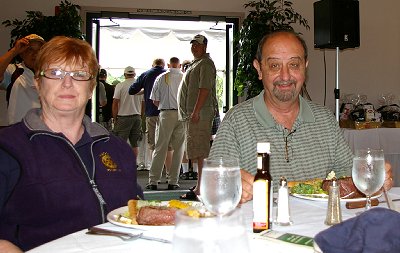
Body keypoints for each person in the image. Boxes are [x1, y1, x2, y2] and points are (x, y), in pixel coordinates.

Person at [209, 30, 393, 204]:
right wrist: (227, 183)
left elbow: (347, 172)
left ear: (305, 67)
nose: (285, 76)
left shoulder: (324, 119)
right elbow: (213, 181)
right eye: (274, 65)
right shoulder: (237, 120)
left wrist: (367, 175)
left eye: (294, 65)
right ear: (259, 69)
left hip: (319, 227)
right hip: (262, 227)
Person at [0, 36, 143, 252]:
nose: (67, 83)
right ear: (38, 84)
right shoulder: (8, 148)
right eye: (55, 73)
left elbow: (136, 213)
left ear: (91, 87)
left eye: (79, 74)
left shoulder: (117, 149)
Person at [178, 34, 217, 199]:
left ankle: (202, 188)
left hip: (200, 113)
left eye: (198, 45)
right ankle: (201, 184)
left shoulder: (206, 64)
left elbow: (204, 89)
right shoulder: (196, 64)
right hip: (193, 114)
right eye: (193, 45)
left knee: (201, 151)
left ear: (205, 47)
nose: (194, 48)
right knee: (197, 150)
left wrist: (196, 111)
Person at [147, 57, 185, 190]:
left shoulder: (161, 77)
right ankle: (173, 181)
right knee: (178, 148)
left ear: (169, 64)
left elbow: (155, 100)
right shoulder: (185, 77)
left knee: (160, 147)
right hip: (181, 114)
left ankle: (154, 180)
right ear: (179, 65)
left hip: (165, 113)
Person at [0, 34, 45, 125]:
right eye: (30, 49)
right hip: (18, 133)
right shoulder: (14, 71)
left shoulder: (51, 73)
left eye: (39, 50)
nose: (35, 54)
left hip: (46, 132)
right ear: (21, 53)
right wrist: (14, 51)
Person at [112, 66, 143, 158]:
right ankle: (133, 164)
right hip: (137, 116)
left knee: (120, 142)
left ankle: (121, 164)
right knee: (134, 143)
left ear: (125, 74)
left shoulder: (120, 85)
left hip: (123, 117)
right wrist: (140, 115)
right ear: (134, 74)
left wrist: (115, 118)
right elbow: (143, 104)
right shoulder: (140, 87)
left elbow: (115, 103)